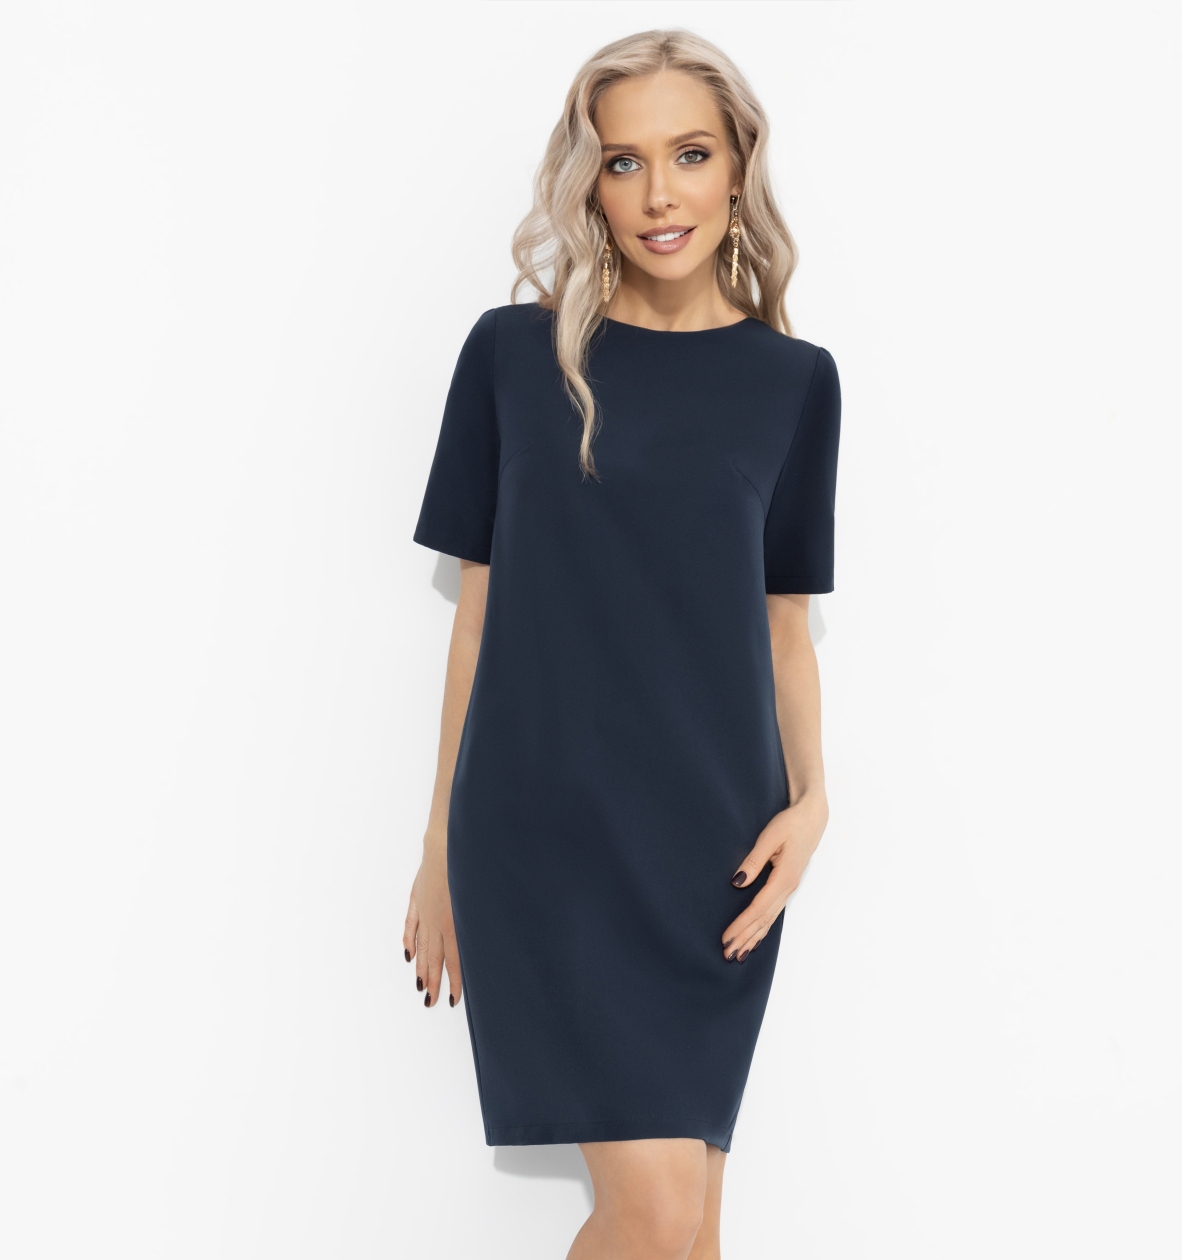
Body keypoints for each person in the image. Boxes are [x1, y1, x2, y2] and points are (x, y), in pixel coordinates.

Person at [403, 28, 841, 1260]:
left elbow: (785, 628)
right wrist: (438, 847)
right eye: (623, 161)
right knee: (655, 1214)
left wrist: (814, 802)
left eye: (690, 155)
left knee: (692, 1233)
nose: (659, 195)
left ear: (738, 167)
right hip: (550, 837)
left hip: (717, 849)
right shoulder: (511, 359)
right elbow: (476, 618)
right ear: (588, 181)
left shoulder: (795, 383)